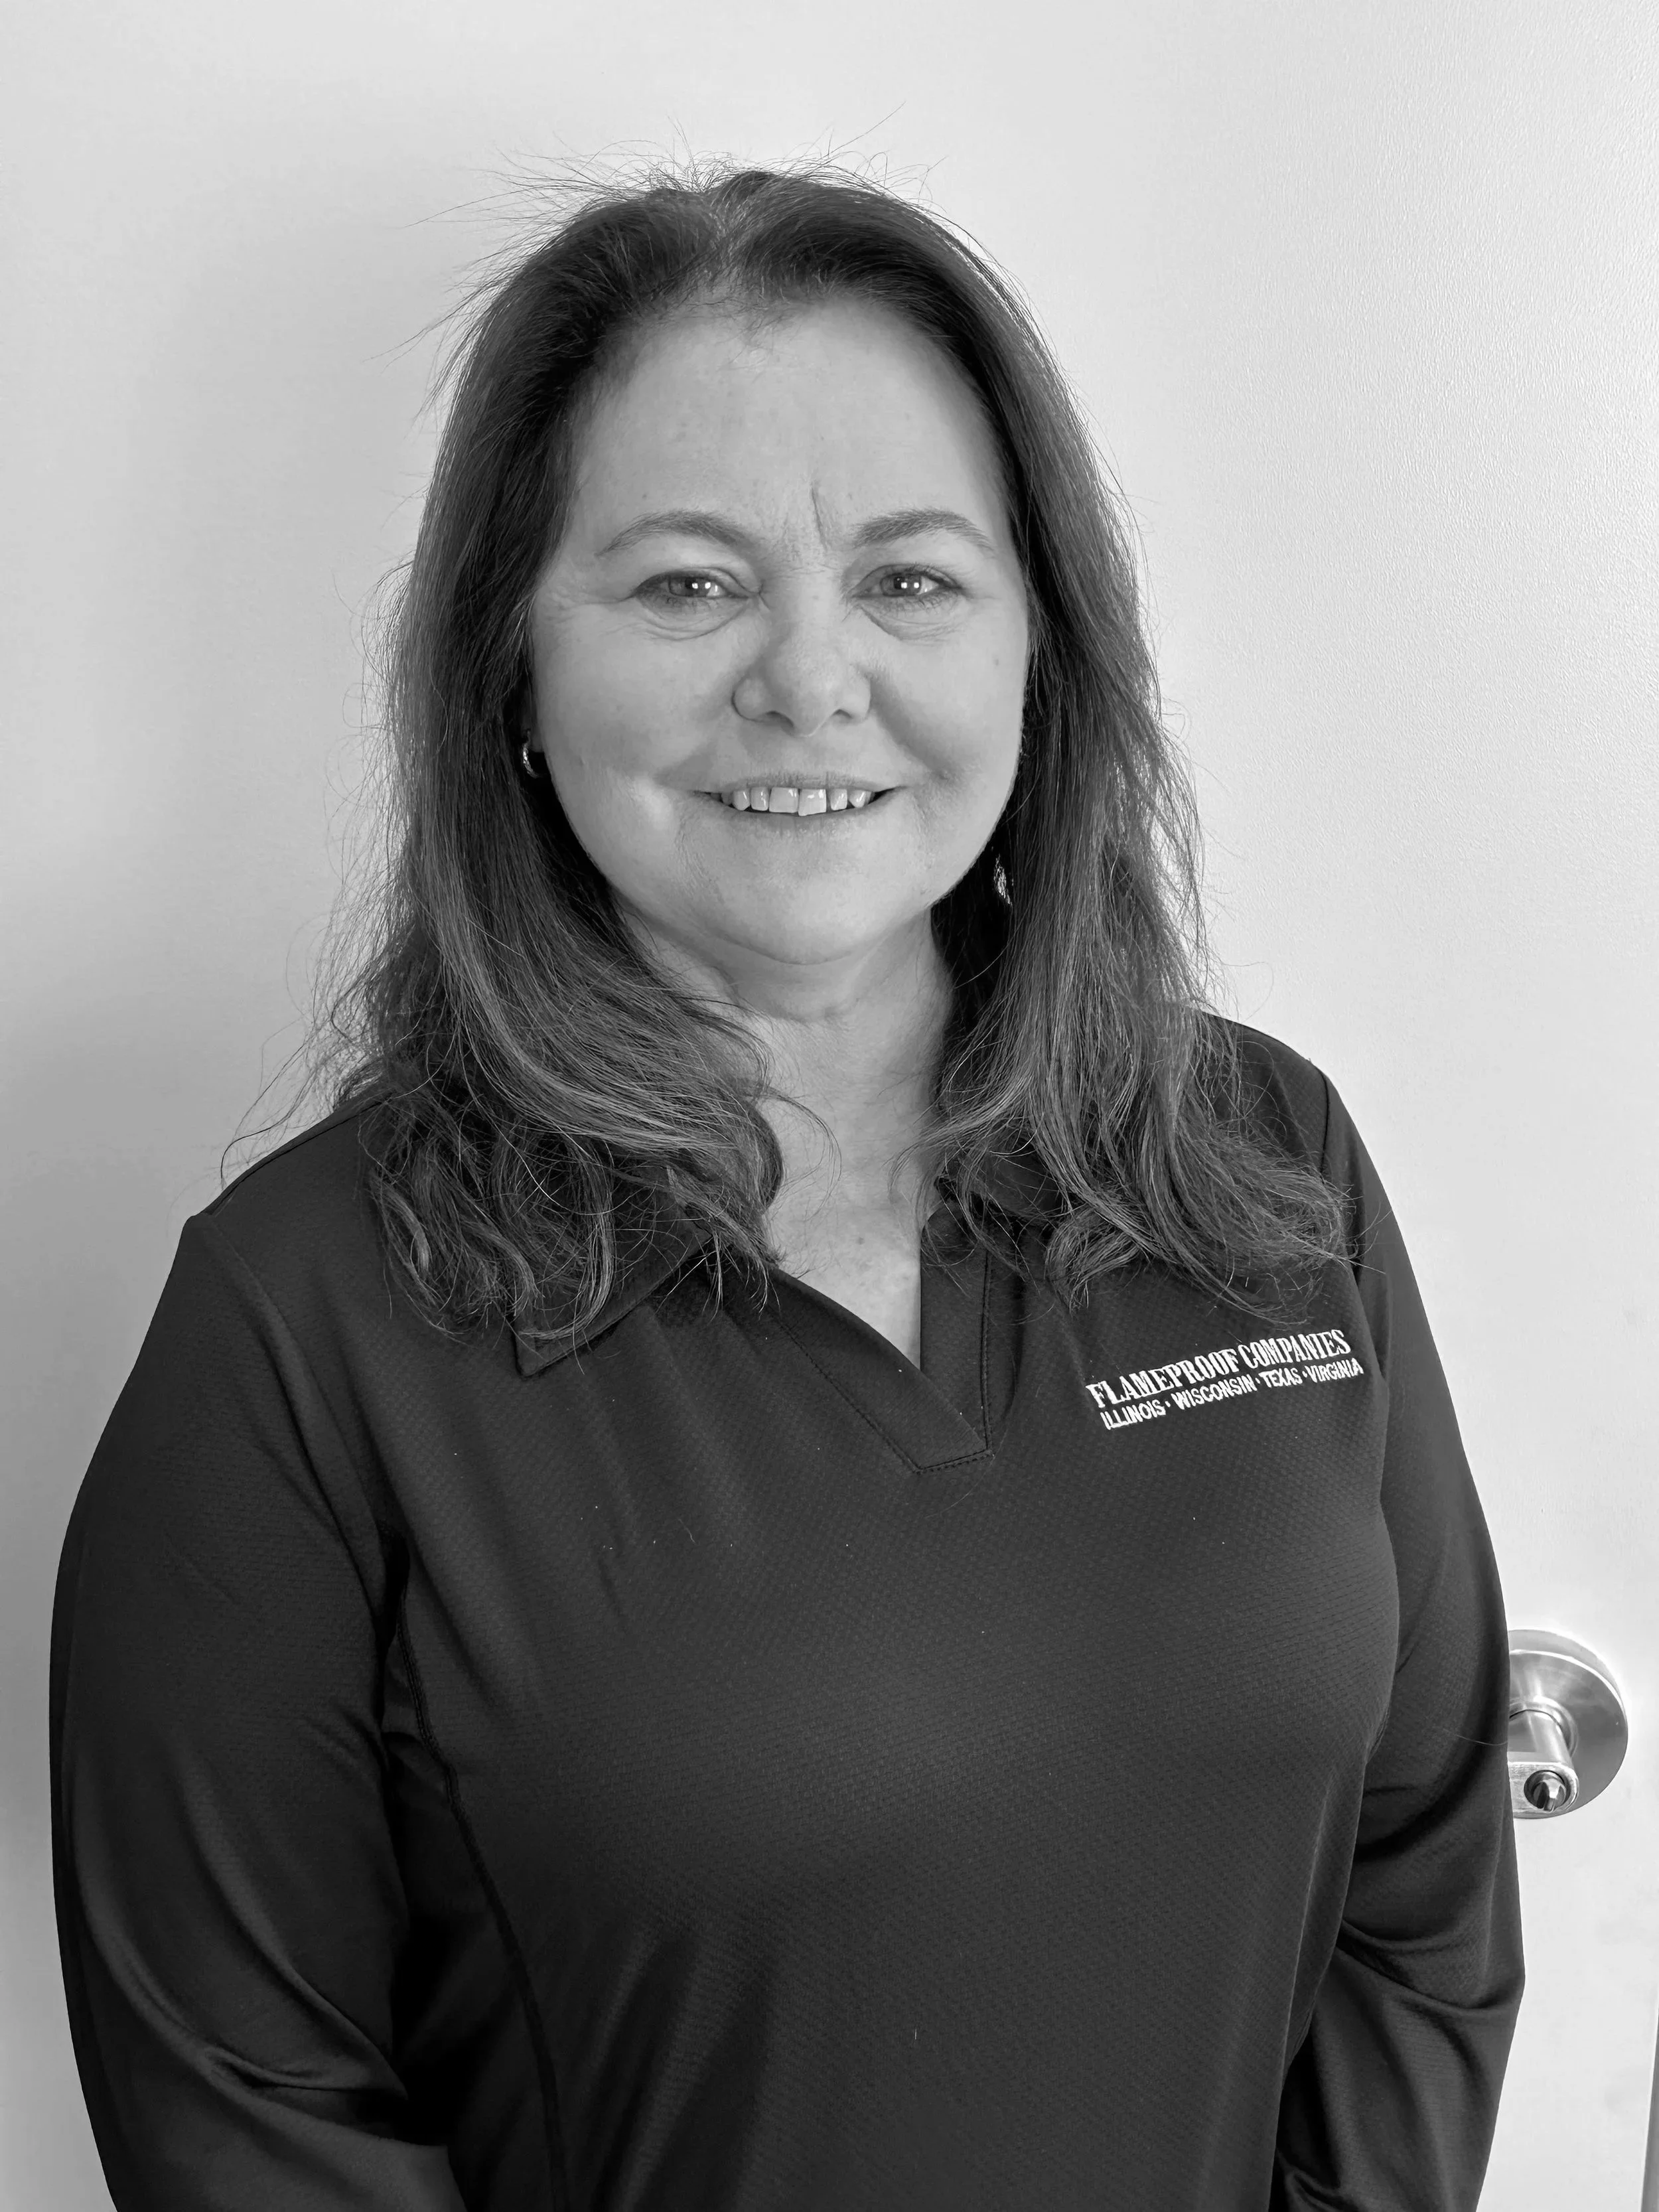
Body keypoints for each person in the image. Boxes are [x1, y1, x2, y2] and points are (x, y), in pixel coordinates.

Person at [49, 155, 1523, 2210]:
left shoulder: (1263, 1159)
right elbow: (246, 2106)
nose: (809, 677)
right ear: (514, 676)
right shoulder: (305, 1313)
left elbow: (1422, 1887)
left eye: (912, 577)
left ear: (1042, 646)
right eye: (684, 582)